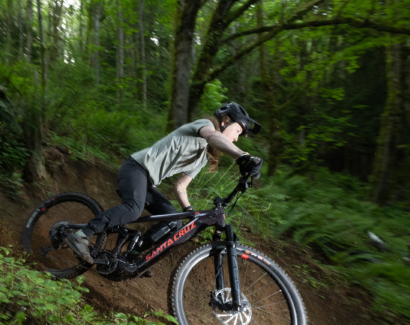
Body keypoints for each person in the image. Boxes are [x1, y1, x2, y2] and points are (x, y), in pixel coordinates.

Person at [65, 102, 264, 264]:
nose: (236, 138)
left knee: (173, 221)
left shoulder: (203, 157)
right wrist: (242, 156)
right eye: (237, 131)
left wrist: (189, 211)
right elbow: (213, 136)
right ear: (225, 120)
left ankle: (132, 256)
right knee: (133, 209)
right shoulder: (205, 126)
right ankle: (81, 234)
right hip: (135, 168)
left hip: (148, 181)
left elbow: (180, 187)